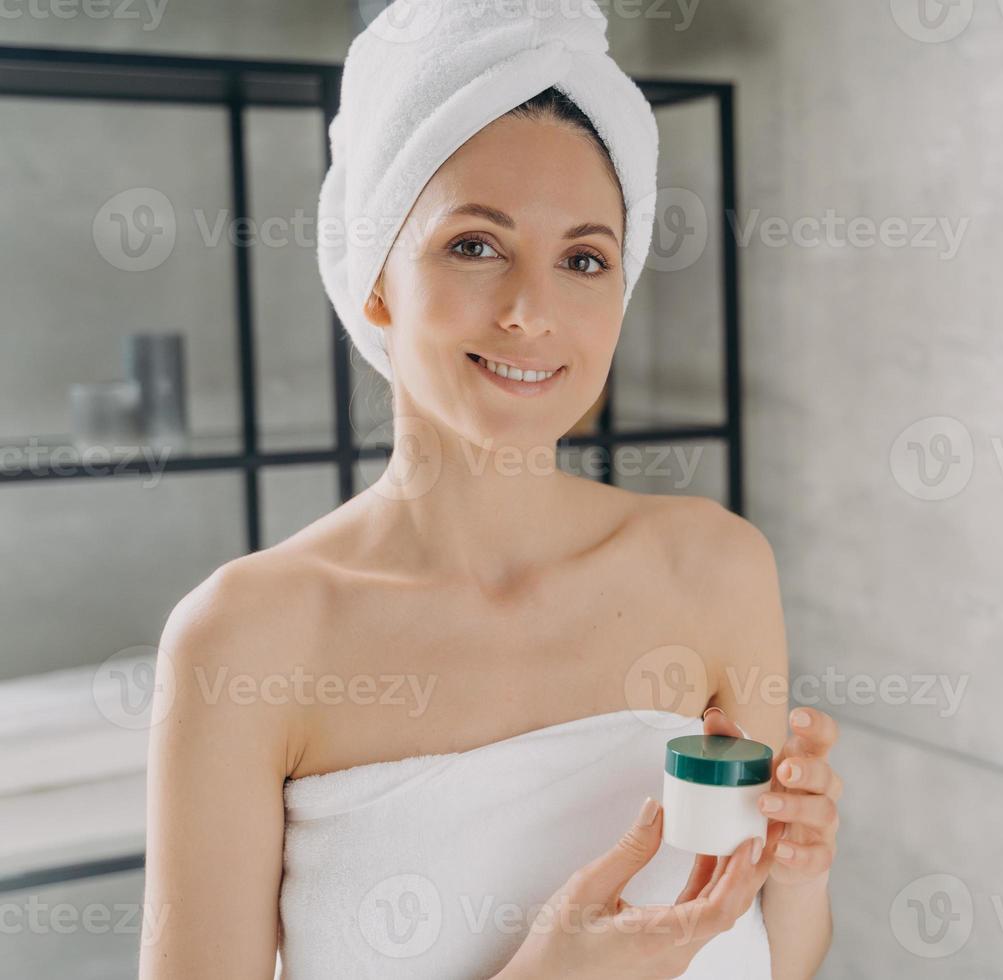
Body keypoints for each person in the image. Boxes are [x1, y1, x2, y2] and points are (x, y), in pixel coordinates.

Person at [140, 4, 840, 978]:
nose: (530, 312)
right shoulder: (248, 635)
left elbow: (777, 952)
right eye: (475, 244)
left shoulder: (715, 564)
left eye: (584, 260)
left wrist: (798, 873)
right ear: (375, 275)